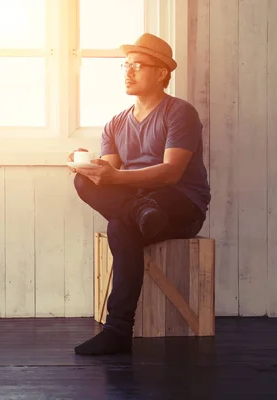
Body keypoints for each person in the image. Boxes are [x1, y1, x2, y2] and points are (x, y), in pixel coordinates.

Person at [68, 33, 210, 356]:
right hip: (145, 213)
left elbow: (172, 172)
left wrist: (115, 176)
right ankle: (118, 332)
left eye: (137, 65)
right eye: (126, 66)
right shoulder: (114, 125)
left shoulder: (180, 113)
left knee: (122, 224)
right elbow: (108, 176)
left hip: (180, 203)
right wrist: (85, 167)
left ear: (162, 73)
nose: (128, 72)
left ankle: (117, 331)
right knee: (82, 184)